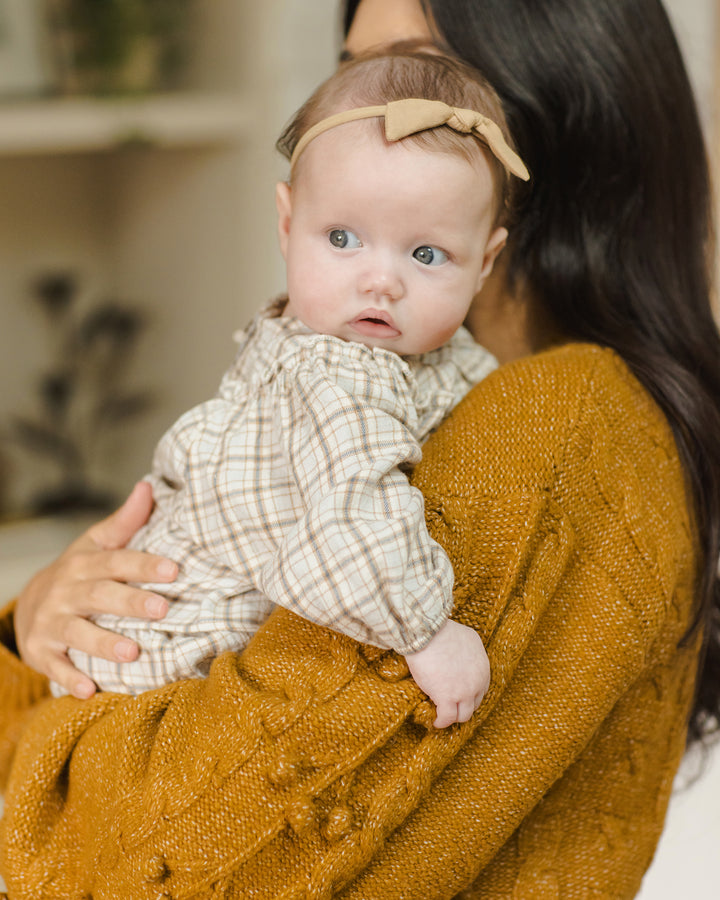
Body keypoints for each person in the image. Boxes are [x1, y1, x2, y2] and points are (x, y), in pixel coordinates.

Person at [1, 0, 718, 897]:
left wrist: (27, 705)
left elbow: (140, 863)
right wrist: (38, 620)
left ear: (555, 117)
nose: (359, 114)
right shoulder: (425, 380)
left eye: (416, 76)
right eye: (350, 72)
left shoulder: (558, 427)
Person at [55, 50, 532, 721]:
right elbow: (347, 525)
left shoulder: (394, 347)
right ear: (286, 224)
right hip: (157, 658)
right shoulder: (339, 371)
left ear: (484, 264)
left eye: (426, 254)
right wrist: (425, 633)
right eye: (343, 237)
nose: (381, 280)